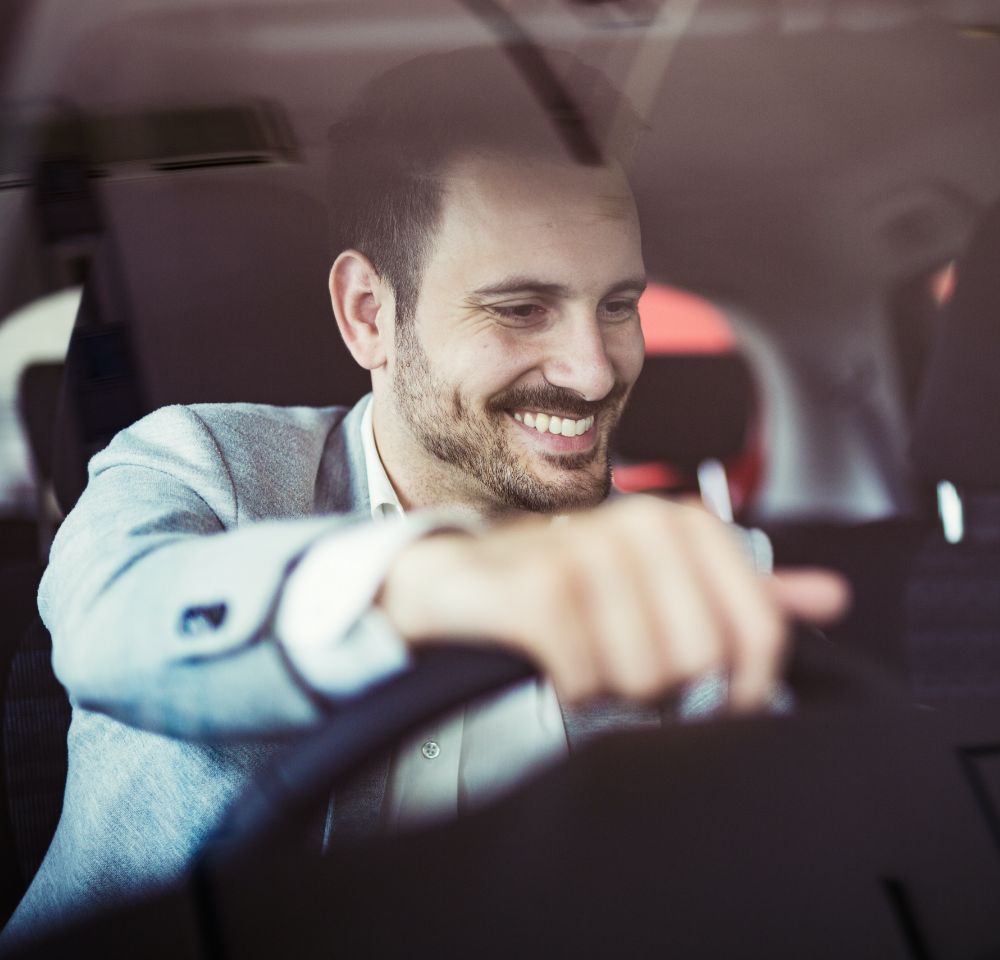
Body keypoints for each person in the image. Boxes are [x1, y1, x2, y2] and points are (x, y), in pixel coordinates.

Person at [1, 48, 846, 943]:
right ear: (370, 313)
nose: (595, 373)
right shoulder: (203, 464)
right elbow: (111, 625)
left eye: (617, 304)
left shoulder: (694, 570)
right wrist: (426, 584)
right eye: (521, 309)